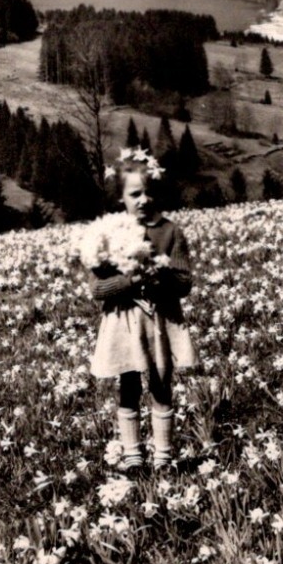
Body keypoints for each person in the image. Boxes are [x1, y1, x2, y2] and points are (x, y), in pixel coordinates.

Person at [88, 150, 198, 471]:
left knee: (162, 381)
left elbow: (184, 282)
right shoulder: (107, 234)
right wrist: (130, 280)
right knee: (130, 383)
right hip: (125, 320)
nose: (144, 199)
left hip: (160, 318)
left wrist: (160, 273)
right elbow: (97, 288)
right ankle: (133, 455)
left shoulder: (170, 231)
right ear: (120, 197)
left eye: (150, 192)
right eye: (135, 193)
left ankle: (164, 456)